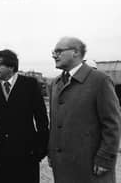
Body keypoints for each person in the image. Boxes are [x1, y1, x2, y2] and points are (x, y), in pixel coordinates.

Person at [49, 36, 121, 183]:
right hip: (62, 166)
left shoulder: (99, 81)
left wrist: (105, 158)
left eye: (59, 51)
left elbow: (112, 124)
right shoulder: (55, 83)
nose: (54, 55)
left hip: (89, 166)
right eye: (54, 51)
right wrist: (51, 152)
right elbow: (55, 124)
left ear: (75, 52)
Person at [0, 49, 49, 183]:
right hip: (1, 154)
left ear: (11, 66)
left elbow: (41, 119)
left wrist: (41, 148)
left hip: (27, 152)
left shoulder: (29, 84)